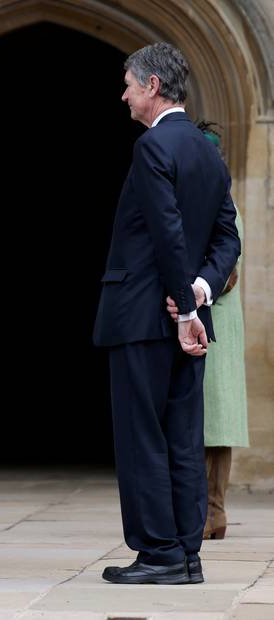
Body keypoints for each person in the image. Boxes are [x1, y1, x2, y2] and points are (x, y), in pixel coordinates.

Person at [93, 43, 240, 585]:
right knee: (182, 436)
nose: (125, 94)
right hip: (185, 314)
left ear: (152, 86)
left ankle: (159, 554)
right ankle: (186, 555)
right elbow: (228, 237)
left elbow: (165, 231)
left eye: (129, 84)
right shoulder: (207, 150)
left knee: (143, 438)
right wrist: (201, 291)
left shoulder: (152, 147)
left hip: (144, 317)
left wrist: (183, 306)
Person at [187, 123, 249, 541]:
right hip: (200, 319)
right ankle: (202, 510)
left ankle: (214, 510)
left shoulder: (221, 204)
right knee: (199, 419)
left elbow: (228, 271)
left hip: (216, 319)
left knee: (216, 421)